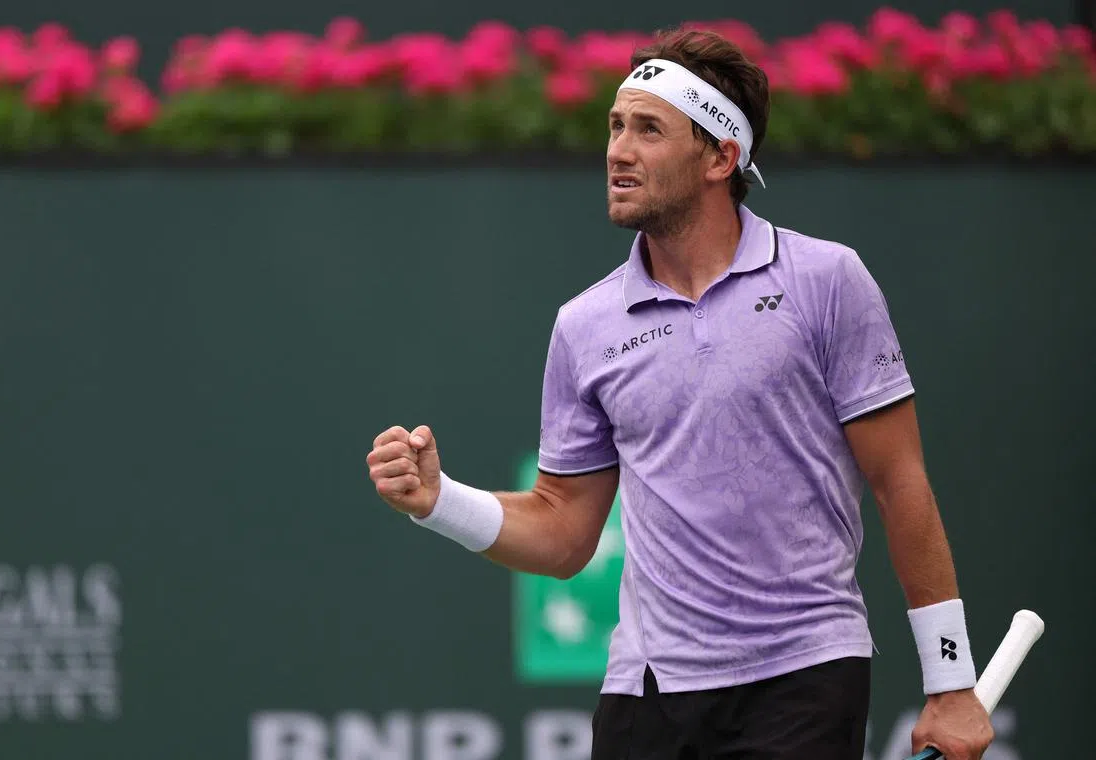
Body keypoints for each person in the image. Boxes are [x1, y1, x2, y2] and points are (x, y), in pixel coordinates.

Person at [366, 26, 995, 760]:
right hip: (646, 696)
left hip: (801, 677)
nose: (617, 150)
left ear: (721, 157)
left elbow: (900, 483)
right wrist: (438, 503)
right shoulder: (584, 326)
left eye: (648, 130)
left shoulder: (827, 282)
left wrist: (951, 681)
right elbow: (565, 532)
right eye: (614, 126)